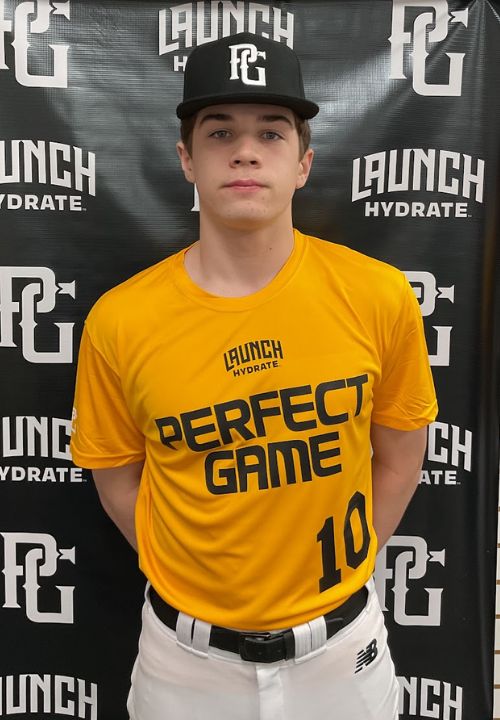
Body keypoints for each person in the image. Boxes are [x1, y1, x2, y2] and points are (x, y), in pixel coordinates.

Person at [70, 31, 438, 720]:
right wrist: (196, 572)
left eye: (271, 133)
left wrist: (342, 567)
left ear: (303, 163)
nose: (245, 151)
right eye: (220, 133)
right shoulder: (120, 320)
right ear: (186, 158)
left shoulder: (379, 295)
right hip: (184, 665)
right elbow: (117, 476)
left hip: (343, 655)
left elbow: (399, 456)